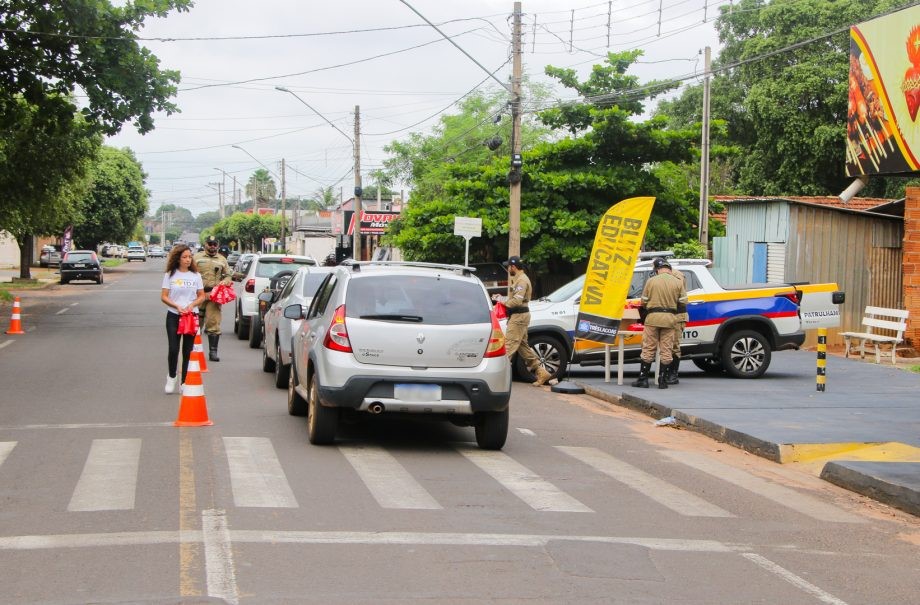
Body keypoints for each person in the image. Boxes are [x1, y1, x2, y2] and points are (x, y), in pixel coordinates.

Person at [491, 256, 555, 387]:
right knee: (523, 346)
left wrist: (500, 300)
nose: (508, 269)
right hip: (519, 316)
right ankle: (541, 371)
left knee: (508, 346)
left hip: (519, 317)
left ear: (513, 267)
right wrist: (502, 297)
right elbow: (515, 299)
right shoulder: (519, 279)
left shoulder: (522, 281)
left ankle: (497, 377)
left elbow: (516, 301)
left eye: (508, 266)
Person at [631, 257, 688, 389]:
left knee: (648, 348)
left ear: (657, 270)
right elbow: (683, 302)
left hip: (652, 318)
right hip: (670, 319)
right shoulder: (678, 282)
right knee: (667, 349)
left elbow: (644, 301)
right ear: (669, 269)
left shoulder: (651, 281)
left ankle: (643, 379)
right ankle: (663, 380)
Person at [161, 245, 205, 394]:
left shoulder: (196, 275)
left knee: (187, 351)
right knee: (174, 349)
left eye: (189, 257)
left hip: (191, 316)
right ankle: (172, 376)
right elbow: (164, 296)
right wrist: (177, 306)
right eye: (184, 257)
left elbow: (201, 296)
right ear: (177, 258)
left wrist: (192, 305)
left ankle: (184, 381)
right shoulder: (170, 275)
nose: (188, 260)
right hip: (174, 315)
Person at [194, 235, 232, 361]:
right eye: (210, 244)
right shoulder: (197, 257)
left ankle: (213, 352)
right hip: (197, 295)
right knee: (195, 324)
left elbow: (228, 276)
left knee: (213, 323)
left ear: (218, 245)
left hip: (213, 296)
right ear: (205, 244)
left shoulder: (222, 259)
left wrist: (225, 282)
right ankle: (191, 351)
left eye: (214, 244)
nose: (212, 246)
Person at [668, 265, 688, 385]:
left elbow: (679, 296)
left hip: (677, 316)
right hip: (667, 315)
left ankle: (673, 374)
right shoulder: (662, 275)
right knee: (666, 346)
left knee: (674, 345)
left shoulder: (677, 276)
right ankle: (665, 373)